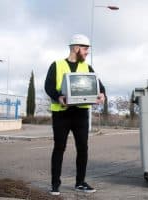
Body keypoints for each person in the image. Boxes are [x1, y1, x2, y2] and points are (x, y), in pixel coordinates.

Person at [44, 34, 105, 196]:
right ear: (75, 48)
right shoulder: (56, 65)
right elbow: (48, 86)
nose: (87, 53)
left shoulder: (87, 68)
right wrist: (58, 96)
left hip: (80, 113)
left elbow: (100, 85)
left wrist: (102, 94)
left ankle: (80, 183)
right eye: (85, 49)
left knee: (83, 148)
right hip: (61, 114)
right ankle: (55, 184)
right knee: (59, 148)